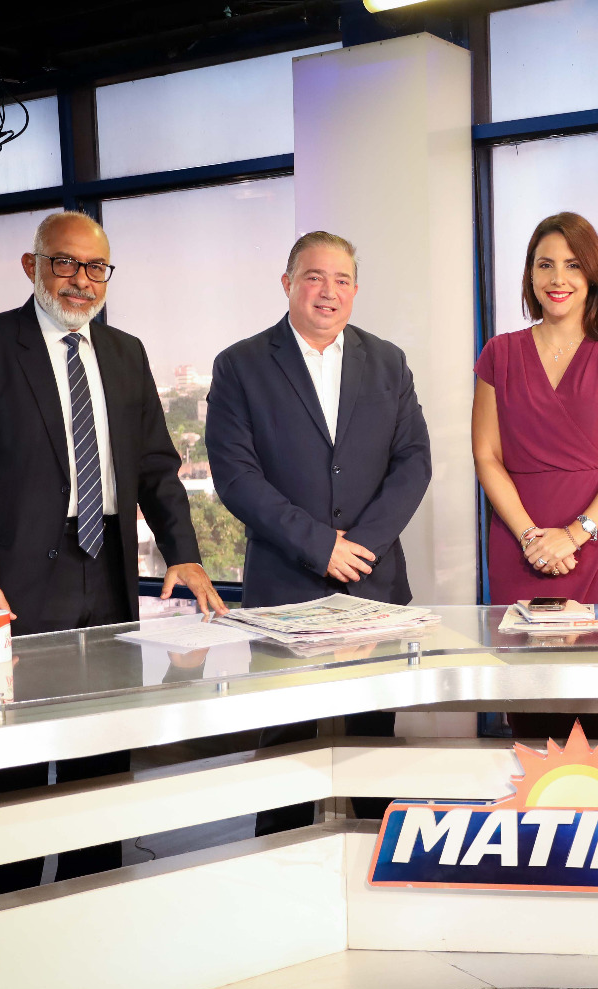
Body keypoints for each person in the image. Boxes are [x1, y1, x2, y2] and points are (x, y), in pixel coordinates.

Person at [0, 210, 228, 896]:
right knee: (16, 759)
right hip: (8, 584)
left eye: (96, 267)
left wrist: (183, 553)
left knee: (102, 752)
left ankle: (93, 897)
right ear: (32, 266)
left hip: (107, 571)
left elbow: (155, 468)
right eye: (65, 262)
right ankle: (5, 900)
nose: (81, 280)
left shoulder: (126, 353)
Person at [207, 231, 431, 834]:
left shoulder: (388, 361)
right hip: (284, 590)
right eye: (313, 277)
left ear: (356, 290)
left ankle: (376, 870)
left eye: (341, 280)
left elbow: (414, 461)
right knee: (286, 751)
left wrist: (360, 548)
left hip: (373, 588)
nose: (327, 292)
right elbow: (236, 476)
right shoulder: (241, 365)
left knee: (373, 747)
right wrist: (319, 546)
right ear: (287, 284)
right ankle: (280, 875)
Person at [472, 212, 598, 742]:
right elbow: (486, 455)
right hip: (522, 546)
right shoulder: (499, 353)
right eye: (545, 265)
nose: (558, 278)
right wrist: (532, 537)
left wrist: (575, 533)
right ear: (529, 275)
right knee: (532, 715)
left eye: (573, 265)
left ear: (593, 273)